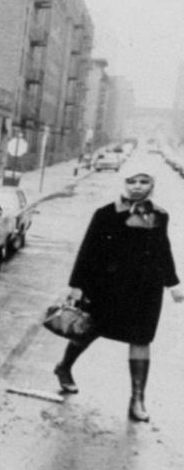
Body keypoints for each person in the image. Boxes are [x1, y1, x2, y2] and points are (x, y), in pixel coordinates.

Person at [54, 170, 184, 420]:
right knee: (88, 331)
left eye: (144, 181)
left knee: (142, 339)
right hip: (106, 286)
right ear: (123, 183)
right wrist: (77, 286)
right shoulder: (106, 213)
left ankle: (137, 399)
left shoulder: (159, 215)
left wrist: (173, 284)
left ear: (152, 184)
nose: (137, 186)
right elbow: (88, 250)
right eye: (132, 181)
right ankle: (64, 367)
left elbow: (162, 250)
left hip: (146, 289)